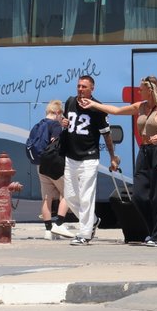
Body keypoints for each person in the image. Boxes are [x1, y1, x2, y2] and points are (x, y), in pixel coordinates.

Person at [79, 76, 157, 247]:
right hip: (144, 152)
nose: (139, 91)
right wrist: (94, 104)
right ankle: (152, 230)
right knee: (139, 196)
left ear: (150, 90)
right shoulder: (140, 107)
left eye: (141, 89)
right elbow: (116, 111)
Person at [62, 75, 119, 246]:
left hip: (89, 157)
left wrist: (112, 157)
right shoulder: (70, 102)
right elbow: (67, 123)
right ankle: (92, 220)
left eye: (84, 87)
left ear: (92, 89)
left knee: (86, 197)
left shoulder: (98, 107)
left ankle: (84, 234)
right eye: (79, 86)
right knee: (70, 196)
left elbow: (106, 134)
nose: (80, 89)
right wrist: (63, 123)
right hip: (71, 156)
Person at [37, 100, 75, 240]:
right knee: (67, 192)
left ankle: (48, 230)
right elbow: (56, 143)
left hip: (41, 165)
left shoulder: (38, 125)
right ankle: (59, 223)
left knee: (46, 198)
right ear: (58, 112)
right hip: (54, 163)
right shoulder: (55, 125)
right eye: (61, 114)